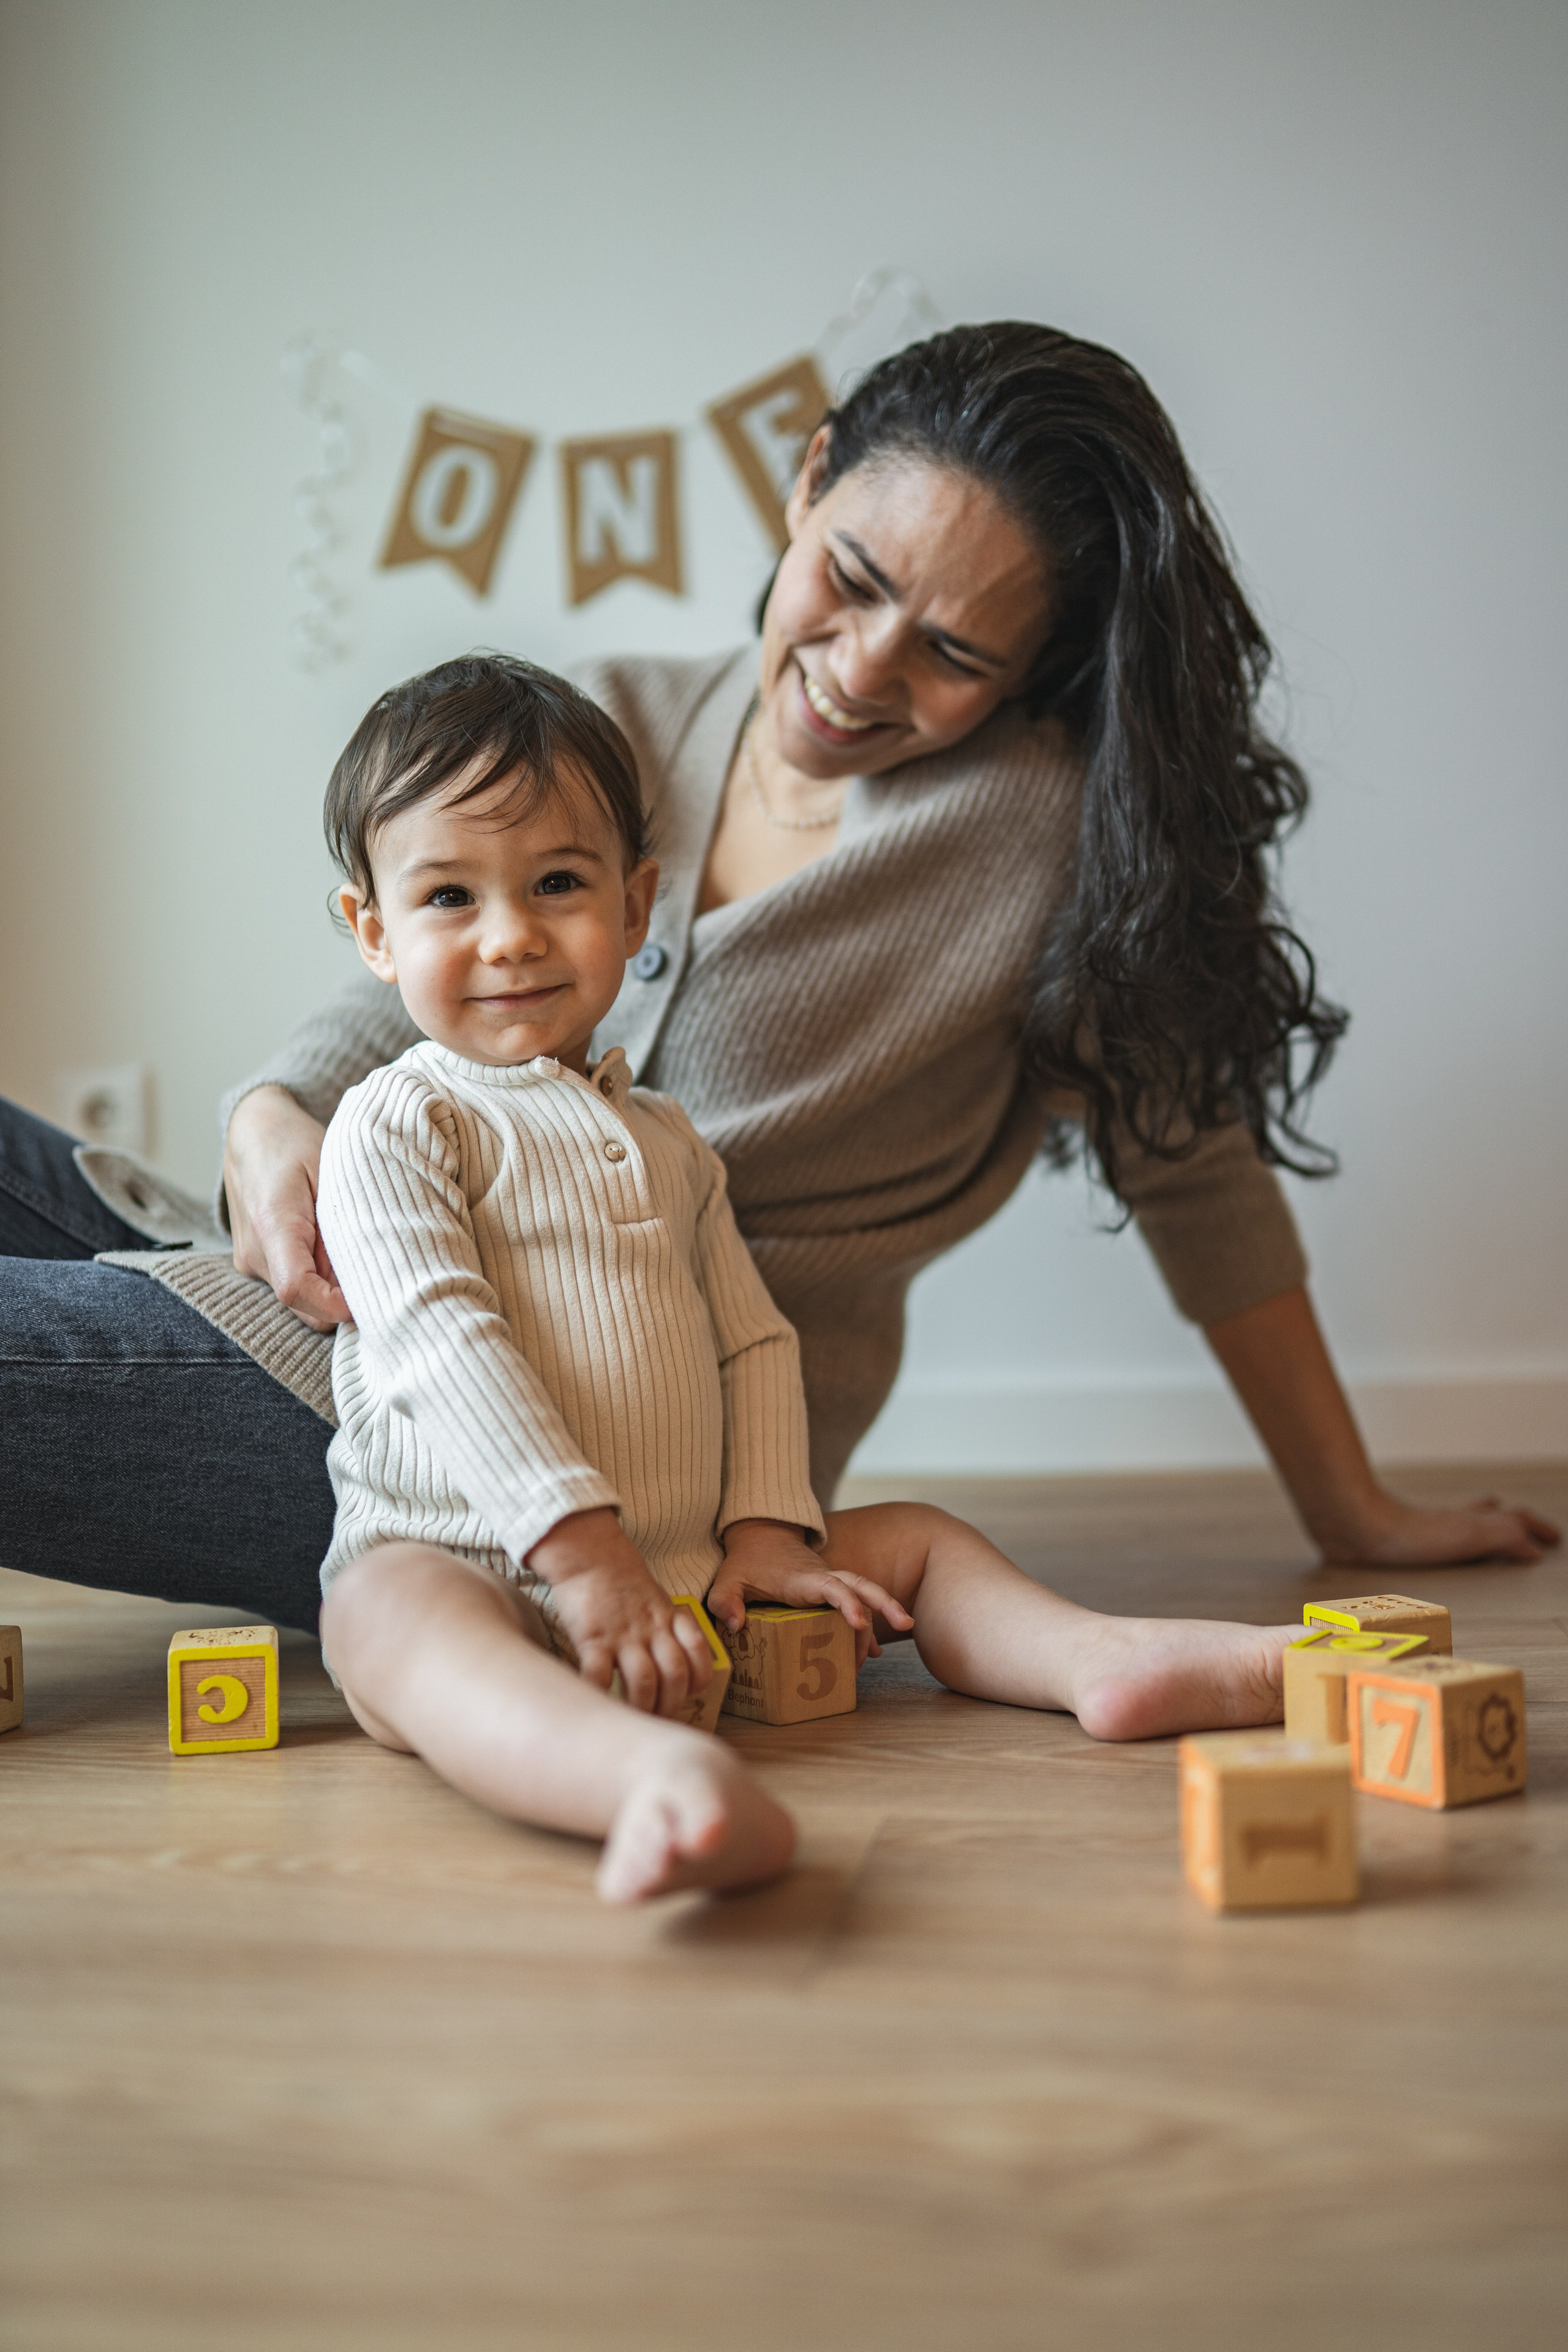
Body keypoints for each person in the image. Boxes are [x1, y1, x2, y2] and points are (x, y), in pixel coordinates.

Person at [0, 322, 1555, 1626]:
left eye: (953, 655)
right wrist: (271, 1114)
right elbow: (405, 990)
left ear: (1034, 677)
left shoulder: (1046, 846)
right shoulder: (603, 721)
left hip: (508, 1458)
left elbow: (1194, 1169)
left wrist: (1350, 1505)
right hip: (322, 1289)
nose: (862, 669)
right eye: (855, 576)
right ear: (807, 482)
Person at [311, 651, 1303, 1903]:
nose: (510, 936)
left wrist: (768, 1535)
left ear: (634, 907)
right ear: (372, 933)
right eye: (449, 897)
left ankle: (1098, 1658)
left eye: (556, 883)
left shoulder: (669, 1141)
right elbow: (437, 1341)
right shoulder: (393, 1124)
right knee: (380, 1613)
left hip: (690, 1576)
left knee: (919, 1540)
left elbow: (753, 1344)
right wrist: (581, 1562)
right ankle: (638, 1781)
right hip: (482, 1563)